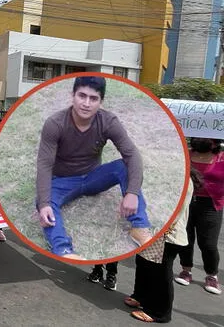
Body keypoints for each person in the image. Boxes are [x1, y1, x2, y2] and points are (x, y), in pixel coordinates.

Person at [36, 76, 151, 260]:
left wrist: (132, 192)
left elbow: (132, 155)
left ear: (101, 102)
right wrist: (43, 204)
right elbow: (44, 165)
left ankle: (138, 227)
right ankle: (63, 249)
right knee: (45, 202)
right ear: (72, 96)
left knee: (124, 166)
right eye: (82, 96)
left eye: (93, 98)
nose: (86, 103)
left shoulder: (108, 121)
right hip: (63, 181)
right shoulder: (55, 123)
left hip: (93, 177)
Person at [125, 173, 194, 323]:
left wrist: (160, 231)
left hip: (166, 234)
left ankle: (160, 312)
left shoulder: (184, 180)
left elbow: (176, 209)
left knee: (161, 271)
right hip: (152, 229)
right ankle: (140, 296)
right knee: (143, 262)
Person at [174, 138, 223, 295]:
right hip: (186, 201)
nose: (201, 140)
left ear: (215, 141)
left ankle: (212, 274)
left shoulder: (221, 158)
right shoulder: (186, 154)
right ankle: (186, 270)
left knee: (208, 243)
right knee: (185, 238)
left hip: (211, 204)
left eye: (206, 138)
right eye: (199, 137)